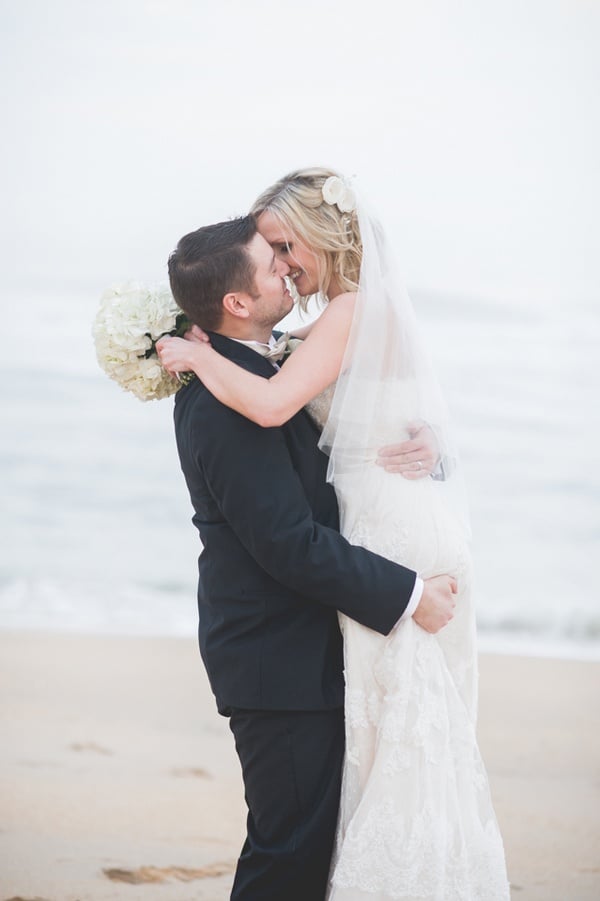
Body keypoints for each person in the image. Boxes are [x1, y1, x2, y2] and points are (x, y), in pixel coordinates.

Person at [157, 168, 510, 900]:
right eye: (272, 258)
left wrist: (430, 445)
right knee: (291, 852)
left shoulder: (284, 346)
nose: (285, 267)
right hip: (279, 653)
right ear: (235, 300)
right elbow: (286, 538)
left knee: (331, 831)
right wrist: (409, 593)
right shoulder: (227, 395)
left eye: (286, 247)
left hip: (316, 633)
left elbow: (350, 408)